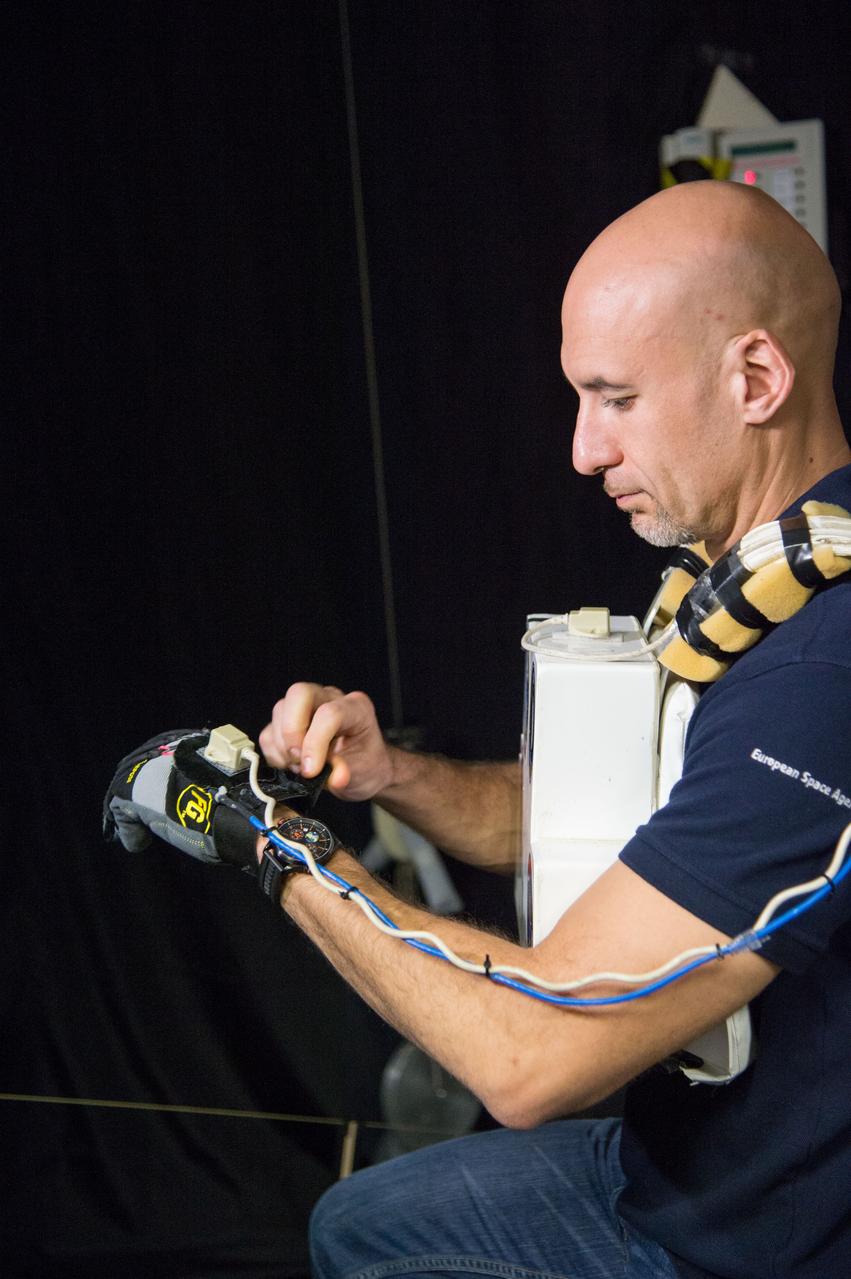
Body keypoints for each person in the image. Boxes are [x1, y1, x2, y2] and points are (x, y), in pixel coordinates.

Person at [108, 182, 851, 1278]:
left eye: (614, 399)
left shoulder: (816, 677)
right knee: (355, 1225)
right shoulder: (752, 589)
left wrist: (266, 840)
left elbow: (534, 1057)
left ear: (752, 379)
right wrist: (391, 775)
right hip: (682, 1167)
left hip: (753, 1244)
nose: (581, 451)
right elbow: (595, 830)